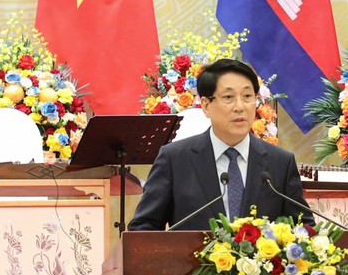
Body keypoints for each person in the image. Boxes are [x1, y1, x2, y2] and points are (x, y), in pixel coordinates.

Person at [128, 58, 314, 231]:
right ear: (206, 105)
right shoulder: (175, 159)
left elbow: (304, 228)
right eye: (228, 97)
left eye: (248, 96)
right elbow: (144, 227)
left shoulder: (280, 163)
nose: (240, 106)